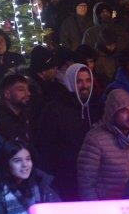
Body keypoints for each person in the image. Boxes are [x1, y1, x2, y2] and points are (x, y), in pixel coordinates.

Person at [34, 63, 102, 200]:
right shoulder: (55, 109)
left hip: (93, 175)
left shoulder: (97, 106)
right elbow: (45, 144)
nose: (85, 85)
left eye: (88, 80)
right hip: (66, 176)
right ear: (70, 82)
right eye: (79, 81)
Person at [77, 88, 129, 200]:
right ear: (113, 113)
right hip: (108, 203)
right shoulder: (96, 139)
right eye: (124, 110)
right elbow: (86, 182)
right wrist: (95, 207)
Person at [0, 73, 34, 146]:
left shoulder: (26, 116)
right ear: (7, 94)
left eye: (28, 89)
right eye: (21, 90)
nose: (28, 93)